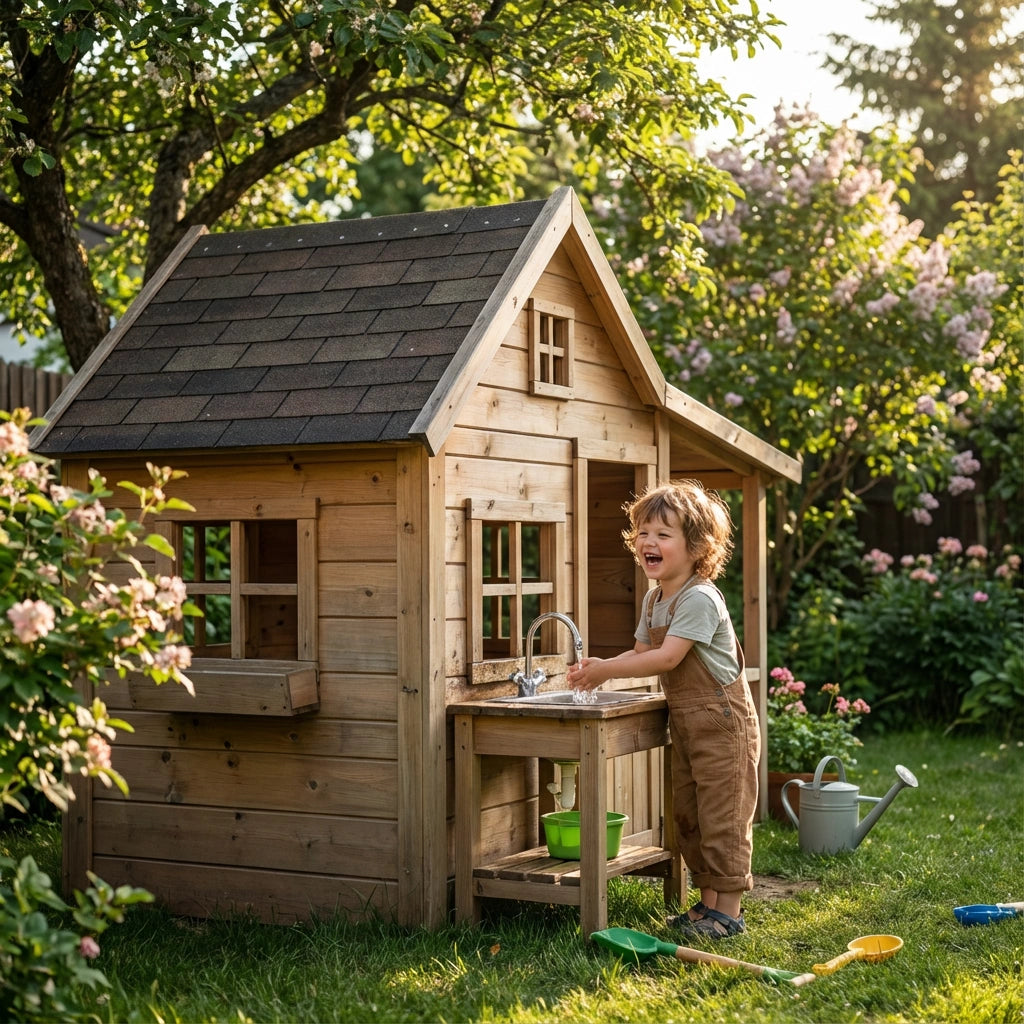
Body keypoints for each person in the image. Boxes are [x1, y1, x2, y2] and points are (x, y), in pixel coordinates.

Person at [566, 479, 760, 940]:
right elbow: (639, 653)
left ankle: (729, 913)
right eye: (643, 532)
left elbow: (669, 657)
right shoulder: (655, 599)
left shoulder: (699, 596)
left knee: (723, 816)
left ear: (696, 547)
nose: (648, 542)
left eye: (663, 534)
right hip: (689, 725)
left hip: (723, 724)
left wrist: (606, 671)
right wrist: (602, 666)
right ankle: (707, 905)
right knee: (690, 815)